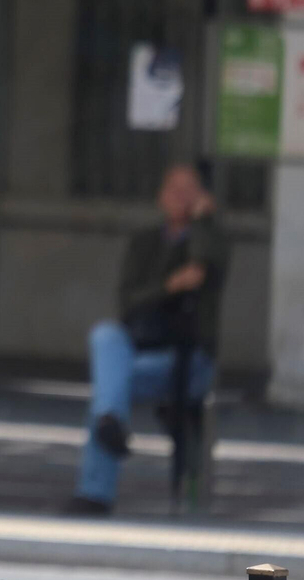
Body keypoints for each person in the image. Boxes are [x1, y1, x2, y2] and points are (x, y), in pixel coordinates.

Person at [64, 164, 229, 516]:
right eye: (174, 189)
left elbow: (204, 268)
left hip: (188, 358)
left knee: (109, 389)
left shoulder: (212, 240)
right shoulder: (145, 242)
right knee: (106, 336)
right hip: (141, 351)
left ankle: (95, 490)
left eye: (190, 190)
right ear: (161, 196)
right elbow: (129, 303)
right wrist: (171, 286)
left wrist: (202, 222)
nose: (181, 197)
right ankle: (110, 424)